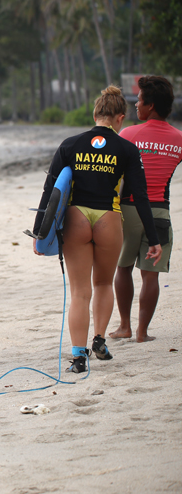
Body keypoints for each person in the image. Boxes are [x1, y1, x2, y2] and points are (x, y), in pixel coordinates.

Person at [32, 86, 161, 374]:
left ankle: (79, 358)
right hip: (108, 219)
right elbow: (140, 196)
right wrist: (153, 239)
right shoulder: (127, 149)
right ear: (120, 118)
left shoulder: (70, 145)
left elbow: (50, 190)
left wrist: (40, 233)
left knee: (80, 291)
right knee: (103, 283)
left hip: (76, 218)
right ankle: (99, 341)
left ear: (95, 115)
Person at [111, 76, 181, 342]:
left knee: (123, 268)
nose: (136, 105)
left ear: (151, 105)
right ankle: (142, 332)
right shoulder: (179, 139)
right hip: (160, 212)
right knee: (151, 275)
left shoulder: (129, 134)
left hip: (129, 211)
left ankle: (125, 327)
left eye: (139, 101)